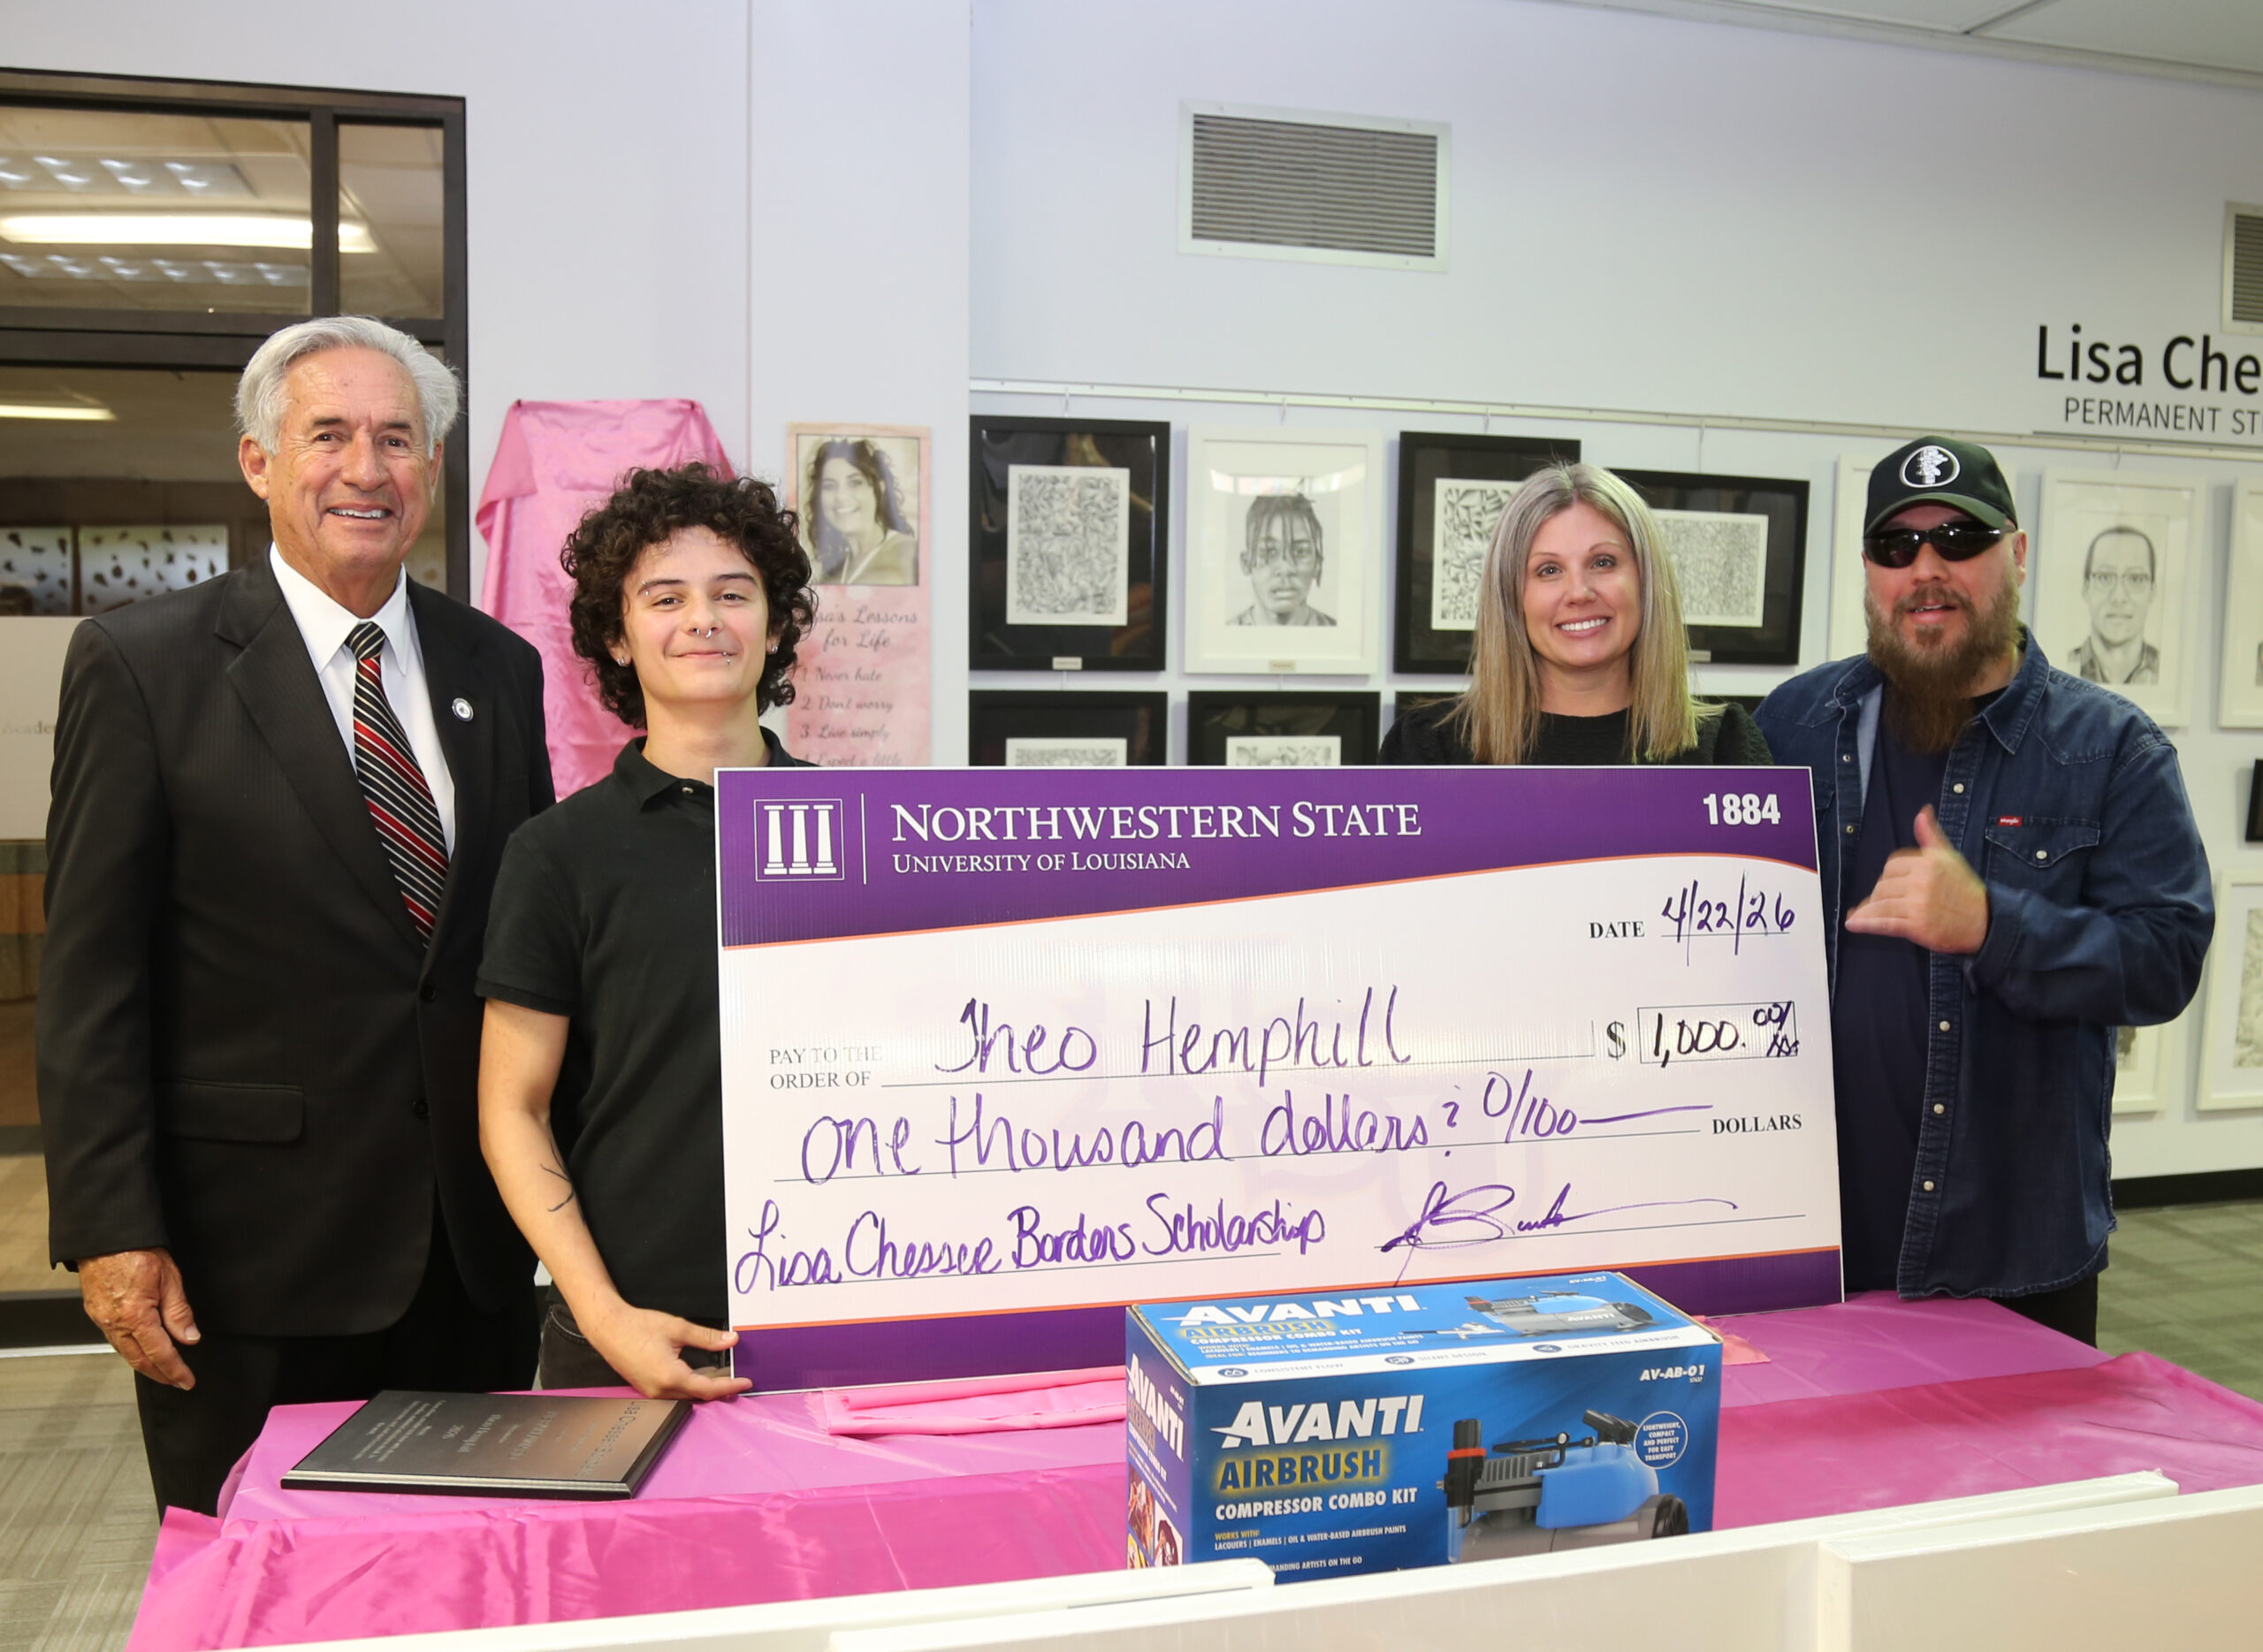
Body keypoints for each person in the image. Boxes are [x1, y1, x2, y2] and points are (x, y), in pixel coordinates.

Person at [38, 316, 553, 1515]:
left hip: (468, 1262)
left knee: (464, 1577)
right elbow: (92, 980)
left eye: (397, 439)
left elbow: (520, 953)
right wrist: (112, 1232)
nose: (366, 470)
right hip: (245, 1266)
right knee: (264, 1593)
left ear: (431, 470)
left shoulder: (499, 669)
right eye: (328, 435)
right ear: (259, 461)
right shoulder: (141, 664)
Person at [1756, 436, 2211, 1344]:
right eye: (1897, 547)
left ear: (2018, 553)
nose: (1926, 569)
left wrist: (1991, 926)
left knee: (2013, 1490)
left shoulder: (2109, 747)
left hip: (2008, 1250)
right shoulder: (1793, 722)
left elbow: (2164, 960)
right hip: (1810, 1235)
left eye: (1958, 540)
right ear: (1868, 572)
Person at [477, 463, 816, 1399]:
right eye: (664, 598)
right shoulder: (557, 854)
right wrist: (599, 1312)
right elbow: (512, 1107)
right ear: (618, 638)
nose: (702, 620)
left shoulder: (864, 829)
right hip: (625, 1334)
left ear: (777, 625)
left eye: (732, 594)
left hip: (847, 1318)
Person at [1380, 462, 1769, 765]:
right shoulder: (1429, 747)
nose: (1579, 593)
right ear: (1512, 597)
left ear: (1646, 581)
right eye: (1548, 570)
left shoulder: (1725, 744)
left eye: (1603, 562)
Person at [804, 437, 916, 585]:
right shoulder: (834, 571)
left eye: (855, 483)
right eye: (829, 486)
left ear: (880, 489)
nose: (841, 497)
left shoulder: (912, 554)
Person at [2063, 525, 2160, 685]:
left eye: (2136, 579)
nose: (2118, 597)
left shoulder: (2164, 673)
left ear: (2152, 591)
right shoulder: (2064, 667)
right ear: (2086, 589)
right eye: (2104, 577)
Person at [1227, 493, 1336, 627]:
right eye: (1268, 551)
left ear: (1317, 564)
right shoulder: (1226, 634)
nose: (1286, 568)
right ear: (1246, 563)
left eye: (1300, 552)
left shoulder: (1337, 632)